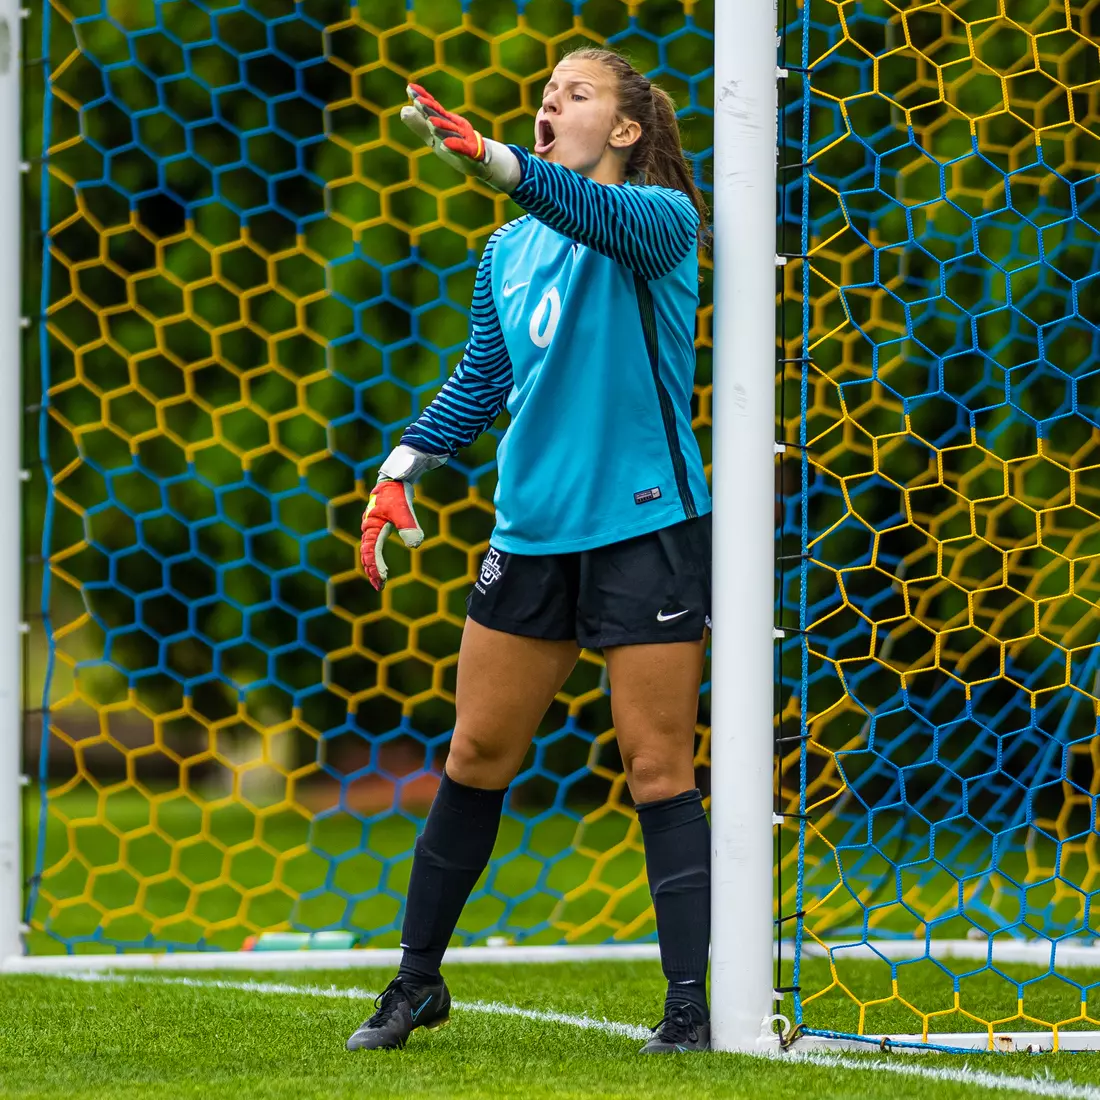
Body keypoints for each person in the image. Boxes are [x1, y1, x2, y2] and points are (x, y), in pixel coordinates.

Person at [349, 47, 713, 1055]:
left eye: (574, 94)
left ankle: (688, 1006)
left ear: (626, 129)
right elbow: (481, 377)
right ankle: (415, 982)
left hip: (645, 526)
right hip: (530, 532)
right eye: (545, 95)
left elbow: (586, 210)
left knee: (656, 765)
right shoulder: (505, 251)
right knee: (475, 754)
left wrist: (495, 160)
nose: (550, 104)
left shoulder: (661, 219)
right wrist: (399, 468)